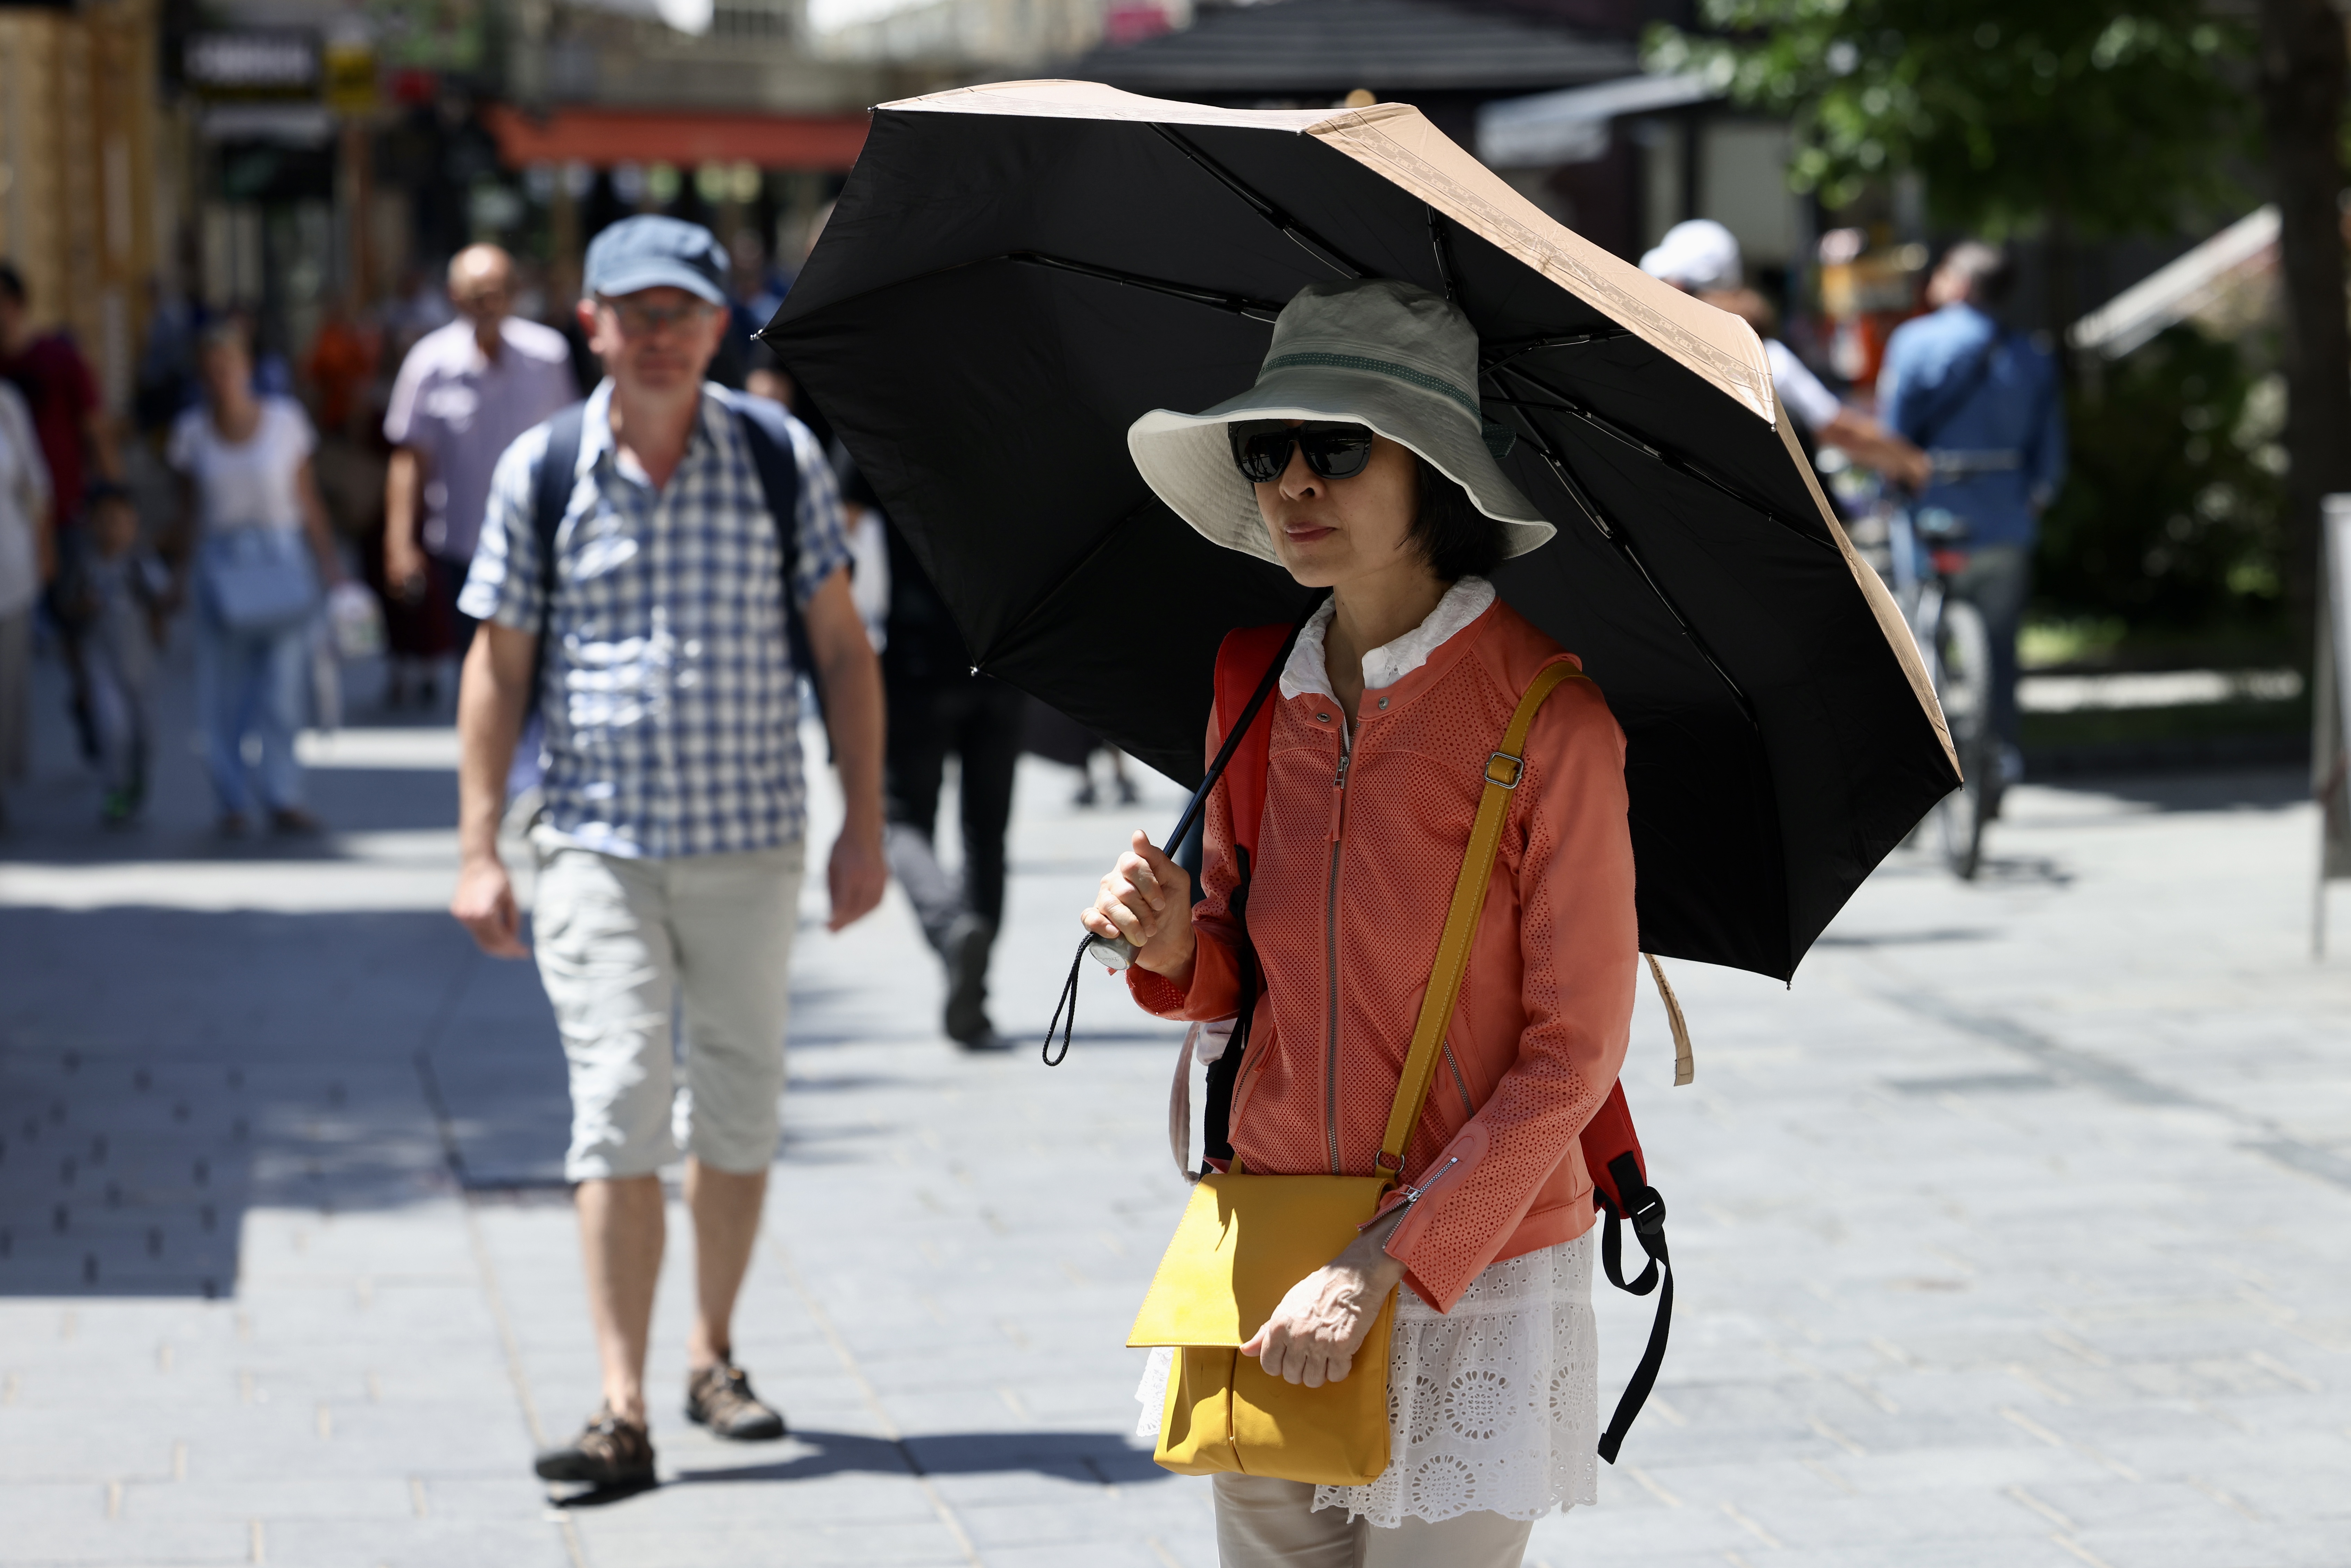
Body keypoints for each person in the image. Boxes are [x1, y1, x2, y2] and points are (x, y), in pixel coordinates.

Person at [1087, 279, 1637, 1565]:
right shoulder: (1249, 682)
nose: (1291, 483)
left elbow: (1572, 1053)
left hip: (1468, 1264)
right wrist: (1170, 945)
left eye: (1333, 445)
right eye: (1261, 449)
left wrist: (1385, 1262)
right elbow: (1240, 961)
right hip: (1271, 1230)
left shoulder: (1550, 721)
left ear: (1433, 472)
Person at [447, 216, 887, 1489]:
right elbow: (498, 665)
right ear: (589, 323)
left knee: (740, 1103)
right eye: (630, 313)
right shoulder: (541, 469)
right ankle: (621, 1402)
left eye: (678, 313)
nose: (654, 336)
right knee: (620, 1097)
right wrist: (478, 844)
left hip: (752, 842)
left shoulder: (774, 455)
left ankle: (712, 1351)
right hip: (596, 845)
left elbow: (843, 650)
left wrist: (862, 823)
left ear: (714, 324)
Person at [1878, 241, 2064, 785]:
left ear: (1960, 284)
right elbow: (2049, 453)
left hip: (1932, 511)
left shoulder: (1915, 342)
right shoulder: (2031, 354)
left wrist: (1888, 485)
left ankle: (1920, 762)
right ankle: (2002, 753)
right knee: (2001, 642)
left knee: (1916, 640)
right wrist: (2036, 495)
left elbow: (1894, 435)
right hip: (2006, 515)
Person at [163, 319, 346, 837]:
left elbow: (307, 498)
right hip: (221, 565)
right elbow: (188, 511)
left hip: (281, 555)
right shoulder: (191, 434)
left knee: (284, 687)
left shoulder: (285, 421)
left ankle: (283, 793)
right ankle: (231, 799)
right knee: (222, 691)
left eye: (229, 368)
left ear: (247, 369)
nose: (221, 379)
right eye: (211, 372)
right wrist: (176, 578)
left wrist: (330, 566)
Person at [381, 245, 574, 702]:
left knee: (543, 670)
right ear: (454, 296)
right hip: (463, 543)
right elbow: (410, 457)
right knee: (480, 670)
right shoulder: (430, 363)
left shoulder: (547, 356)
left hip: (540, 542)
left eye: (498, 293)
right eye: (477, 294)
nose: (488, 304)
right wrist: (399, 542)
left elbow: (572, 444)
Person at [875, 511, 1027, 1048]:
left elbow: (837, 537)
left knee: (900, 820)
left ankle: (949, 931)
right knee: (986, 831)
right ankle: (975, 993)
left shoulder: (877, 430)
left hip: (916, 660)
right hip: (997, 657)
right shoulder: (1010, 435)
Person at [1639, 220, 1929, 489]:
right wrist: (1907, 461)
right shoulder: (1762, 356)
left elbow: (1835, 426)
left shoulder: (1655, 353)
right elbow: (1836, 427)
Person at [1, 261, 121, 761]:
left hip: (65, 515)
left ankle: (90, 701)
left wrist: (115, 498)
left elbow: (95, 428)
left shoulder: (58, 358)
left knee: (75, 624)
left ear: (19, 306)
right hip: (11, 529)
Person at [75, 483, 162, 826]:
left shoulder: (141, 565)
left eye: (120, 520)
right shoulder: (85, 567)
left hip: (140, 663)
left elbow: (161, 603)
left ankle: (137, 779)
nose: (112, 528)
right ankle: (114, 790)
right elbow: (70, 616)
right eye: (104, 520)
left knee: (145, 734)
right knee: (114, 728)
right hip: (102, 663)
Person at [0, 373, 52, 830]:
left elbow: (34, 484)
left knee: (7, 685)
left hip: (9, 571)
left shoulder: (8, 405)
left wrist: (45, 549)